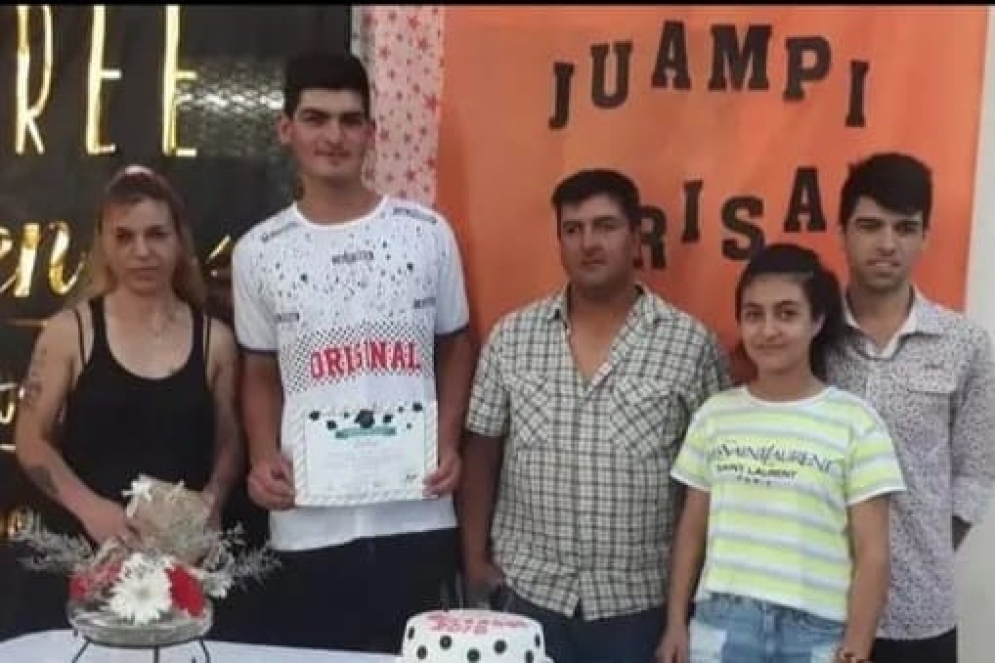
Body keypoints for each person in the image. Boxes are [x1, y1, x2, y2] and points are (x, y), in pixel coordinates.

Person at [230, 50, 474, 652]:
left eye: (348, 119)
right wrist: (262, 455)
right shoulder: (259, 251)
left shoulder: (426, 232)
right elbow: (258, 368)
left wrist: (446, 440)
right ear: (286, 129)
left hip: (414, 514)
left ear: (371, 133)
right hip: (309, 519)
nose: (333, 136)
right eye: (315, 118)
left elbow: (459, 343)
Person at [459, 168, 732, 663]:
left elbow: (715, 482)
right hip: (527, 597)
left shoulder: (690, 346)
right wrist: (474, 560)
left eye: (606, 226)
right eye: (573, 229)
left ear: (636, 237)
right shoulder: (512, 338)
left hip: (642, 609)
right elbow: (481, 452)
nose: (589, 243)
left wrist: (693, 602)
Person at [3, 165, 243, 636]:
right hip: (78, 564)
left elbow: (230, 441)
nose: (142, 251)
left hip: (179, 571)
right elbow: (30, 440)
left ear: (179, 241)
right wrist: (94, 511)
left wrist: (211, 504)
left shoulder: (215, 340)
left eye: (156, 235)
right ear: (105, 245)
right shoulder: (69, 333)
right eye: (125, 236)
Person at [658, 242, 907, 663]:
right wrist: (675, 624)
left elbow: (873, 554)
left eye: (787, 313)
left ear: (817, 321)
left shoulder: (856, 422)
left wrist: (857, 648)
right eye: (754, 314)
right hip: (721, 626)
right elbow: (691, 532)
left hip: (817, 635)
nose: (768, 330)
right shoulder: (714, 415)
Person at [826, 152, 995, 663]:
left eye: (905, 228)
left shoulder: (964, 344)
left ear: (925, 235)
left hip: (920, 612)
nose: (886, 244)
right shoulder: (811, 337)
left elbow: (976, 472)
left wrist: (923, 549)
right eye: (870, 226)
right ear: (843, 231)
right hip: (818, 608)